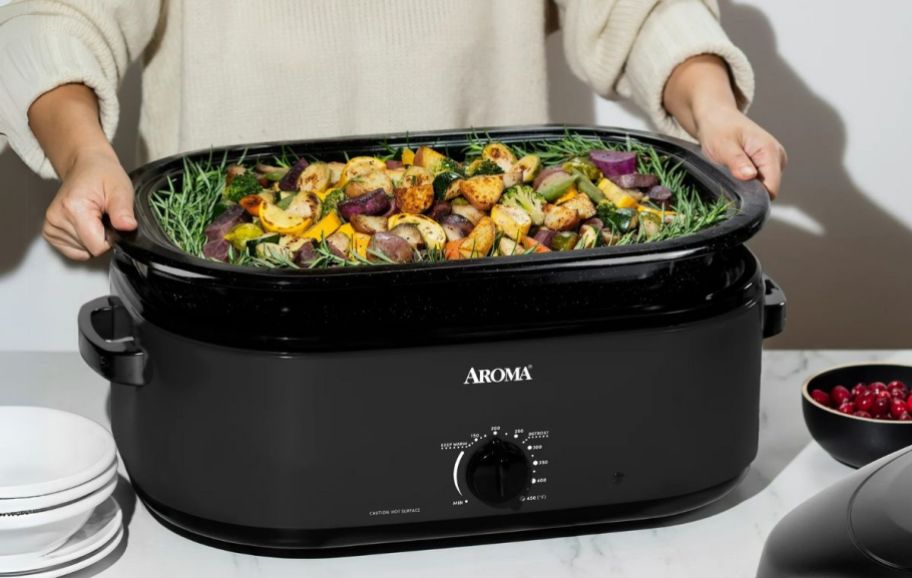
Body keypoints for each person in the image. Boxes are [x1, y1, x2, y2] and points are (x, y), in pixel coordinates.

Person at [0, 0, 785, 261]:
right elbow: (57, 15)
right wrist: (86, 154)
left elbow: (639, 7)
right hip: (238, 280)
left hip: (481, 275)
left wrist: (712, 109)